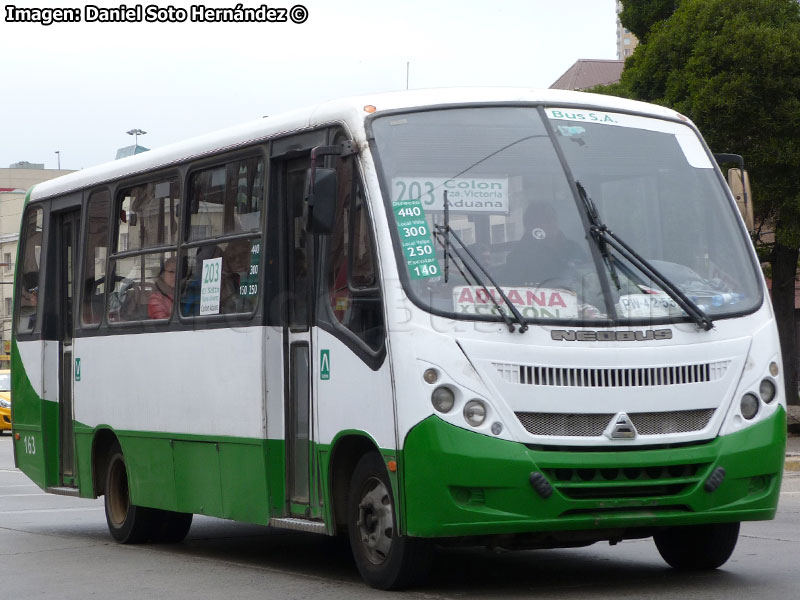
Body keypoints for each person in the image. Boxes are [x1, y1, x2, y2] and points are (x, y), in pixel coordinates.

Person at [505, 201, 589, 287]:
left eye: (553, 218)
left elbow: (589, 277)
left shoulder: (574, 249)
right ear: (530, 225)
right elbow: (514, 288)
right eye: (545, 220)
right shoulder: (519, 255)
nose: (552, 223)